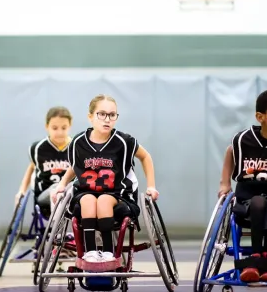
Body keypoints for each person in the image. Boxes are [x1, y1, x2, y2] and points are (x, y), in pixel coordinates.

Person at [52, 94, 159, 263]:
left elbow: (145, 157)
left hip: (119, 195)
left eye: (112, 115)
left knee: (103, 200)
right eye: (101, 114)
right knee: (87, 200)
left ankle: (109, 251)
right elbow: (76, 167)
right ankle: (90, 252)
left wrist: (151, 186)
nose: (107, 119)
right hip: (86, 192)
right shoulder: (78, 143)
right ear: (90, 117)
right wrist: (62, 184)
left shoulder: (124, 141)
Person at [219, 89, 267, 283]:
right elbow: (231, 151)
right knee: (258, 202)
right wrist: (224, 183)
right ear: (260, 117)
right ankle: (256, 258)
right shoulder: (242, 139)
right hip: (248, 198)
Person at [14, 106, 73, 211]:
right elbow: (32, 167)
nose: (59, 132)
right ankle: (57, 225)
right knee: (56, 190)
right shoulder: (38, 148)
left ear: (70, 126)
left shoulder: (77, 147)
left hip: (70, 194)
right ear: (47, 126)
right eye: (55, 128)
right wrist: (21, 190)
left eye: (64, 128)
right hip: (45, 195)